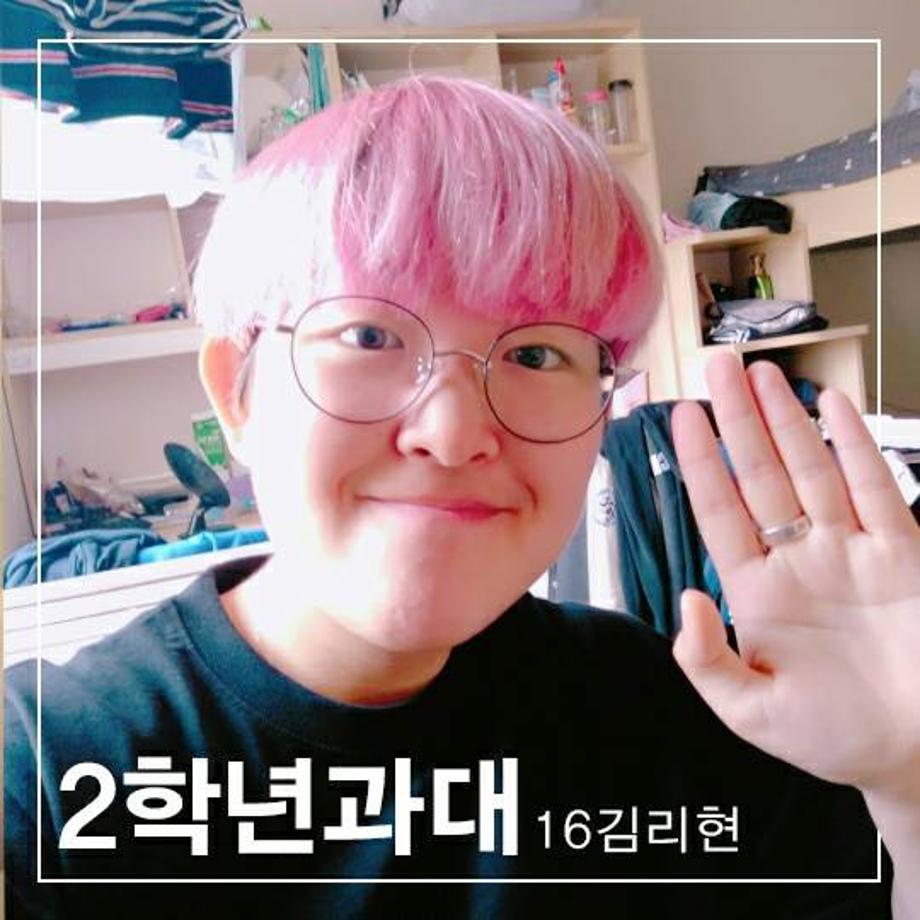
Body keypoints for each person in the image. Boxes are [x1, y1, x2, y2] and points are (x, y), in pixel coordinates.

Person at [5, 75, 919, 919]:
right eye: (368, 335)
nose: (451, 432)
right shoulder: (48, 777)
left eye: (535, 353)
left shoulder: (651, 709)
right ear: (236, 395)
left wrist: (907, 780)